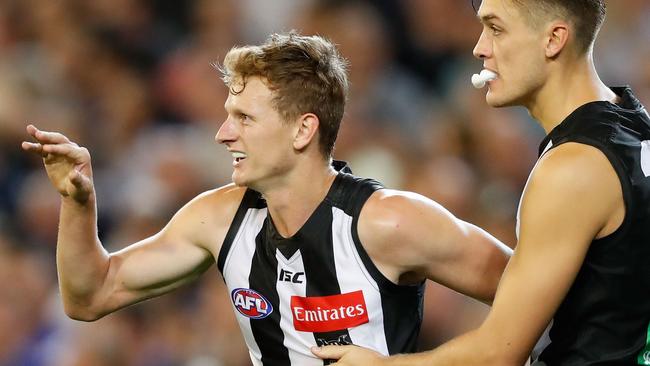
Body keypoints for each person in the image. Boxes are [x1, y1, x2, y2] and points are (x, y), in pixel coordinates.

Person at [21, 32, 511, 365]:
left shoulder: (389, 222)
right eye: (227, 114)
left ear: (302, 130)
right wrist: (78, 204)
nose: (222, 133)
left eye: (244, 118)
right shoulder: (216, 219)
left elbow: (539, 296)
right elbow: (89, 296)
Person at [312, 0, 650, 365]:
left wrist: (382, 365)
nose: (480, 47)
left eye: (496, 29)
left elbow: (498, 354)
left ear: (553, 39)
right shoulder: (634, 124)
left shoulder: (574, 167)